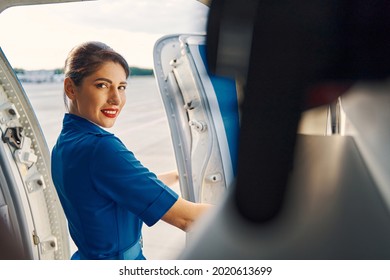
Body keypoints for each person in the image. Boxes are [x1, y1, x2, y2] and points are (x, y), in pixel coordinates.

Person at [51, 41, 211, 260]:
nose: (116, 99)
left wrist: (176, 174)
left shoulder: (65, 143)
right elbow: (188, 219)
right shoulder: (100, 148)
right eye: (102, 85)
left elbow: (126, 185)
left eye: (121, 87)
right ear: (71, 88)